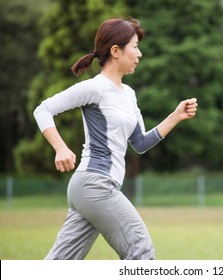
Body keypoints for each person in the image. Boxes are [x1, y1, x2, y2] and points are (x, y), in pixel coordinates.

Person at [33, 17, 198, 260]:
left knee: (59, 265)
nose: (139, 54)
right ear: (115, 51)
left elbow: (139, 143)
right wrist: (60, 147)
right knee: (141, 251)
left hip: (91, 188)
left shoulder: (129, 95)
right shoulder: (95, 88)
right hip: (95, 185)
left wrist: (175, 116)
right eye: (135, 46)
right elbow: (43, 110)